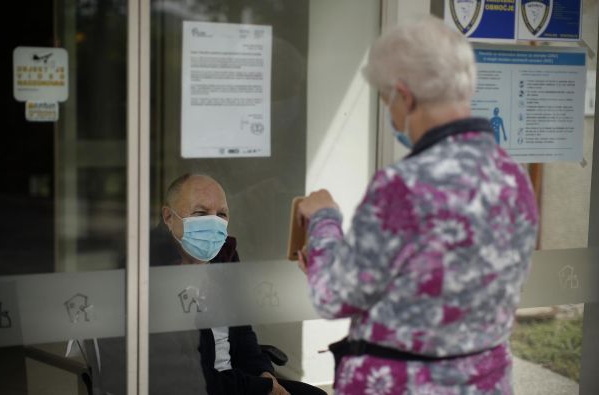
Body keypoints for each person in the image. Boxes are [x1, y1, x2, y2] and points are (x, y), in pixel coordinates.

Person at [297, 17, 539, 394]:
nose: (390, 113)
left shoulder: (401, 187)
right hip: (486, 381)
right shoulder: (512, 176)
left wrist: (324, 222)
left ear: (404, 95)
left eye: (385, 100)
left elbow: (332, 297)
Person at [151, 173, 326, 395]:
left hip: (239, 379)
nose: (214, 223)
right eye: (200, 213)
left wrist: (264, 373)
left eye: (221, 214)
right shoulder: (152, 271)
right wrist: (262, 388)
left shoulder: (224, 256)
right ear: (168, 217)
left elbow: (242, 331)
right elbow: (185, 375)